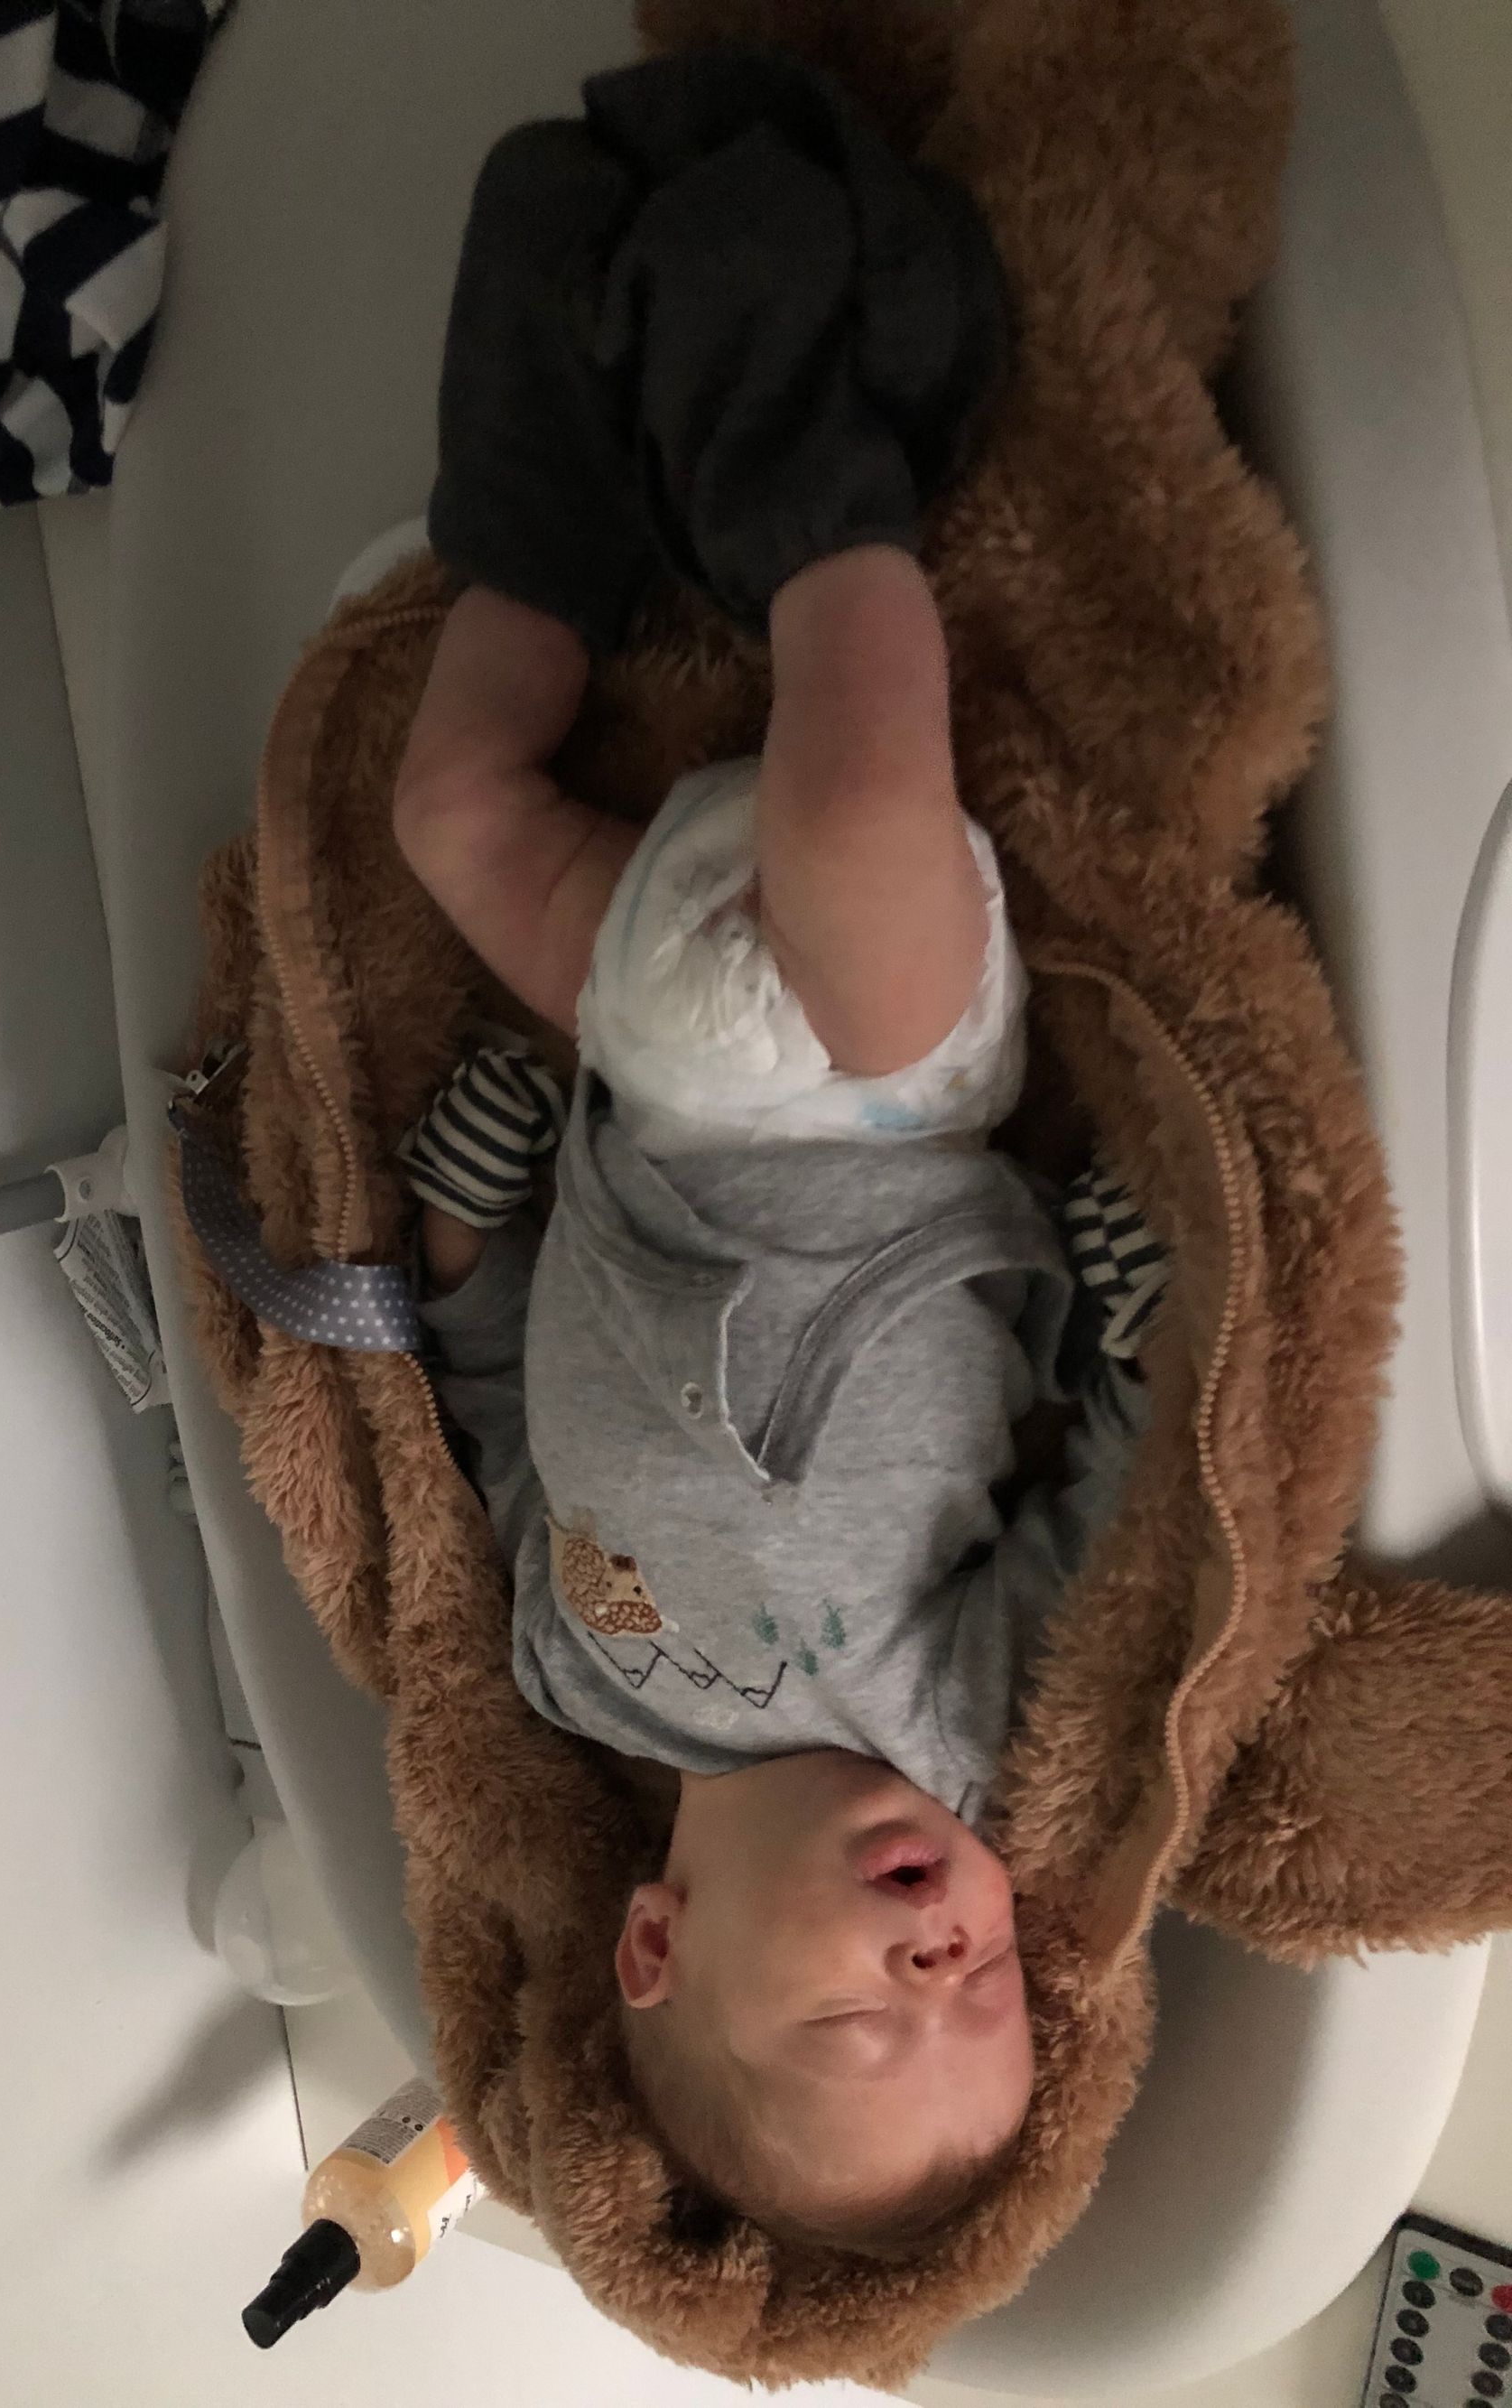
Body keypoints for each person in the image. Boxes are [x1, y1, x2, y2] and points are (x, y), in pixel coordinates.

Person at [390, 544, 1153, 2256]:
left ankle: (551, 505)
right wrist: (1138, 1328)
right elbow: (1111, 1514)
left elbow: (507, 1427)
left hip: (645, 1068)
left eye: (863, 2018)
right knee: (863, 795)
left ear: (656, 1946)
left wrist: (459, 1237)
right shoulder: (947, 1729)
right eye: (990, 1983)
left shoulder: (578, 1673)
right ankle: (807, 492)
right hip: (889, 1092)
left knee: (449, 810)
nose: (942, 1961)